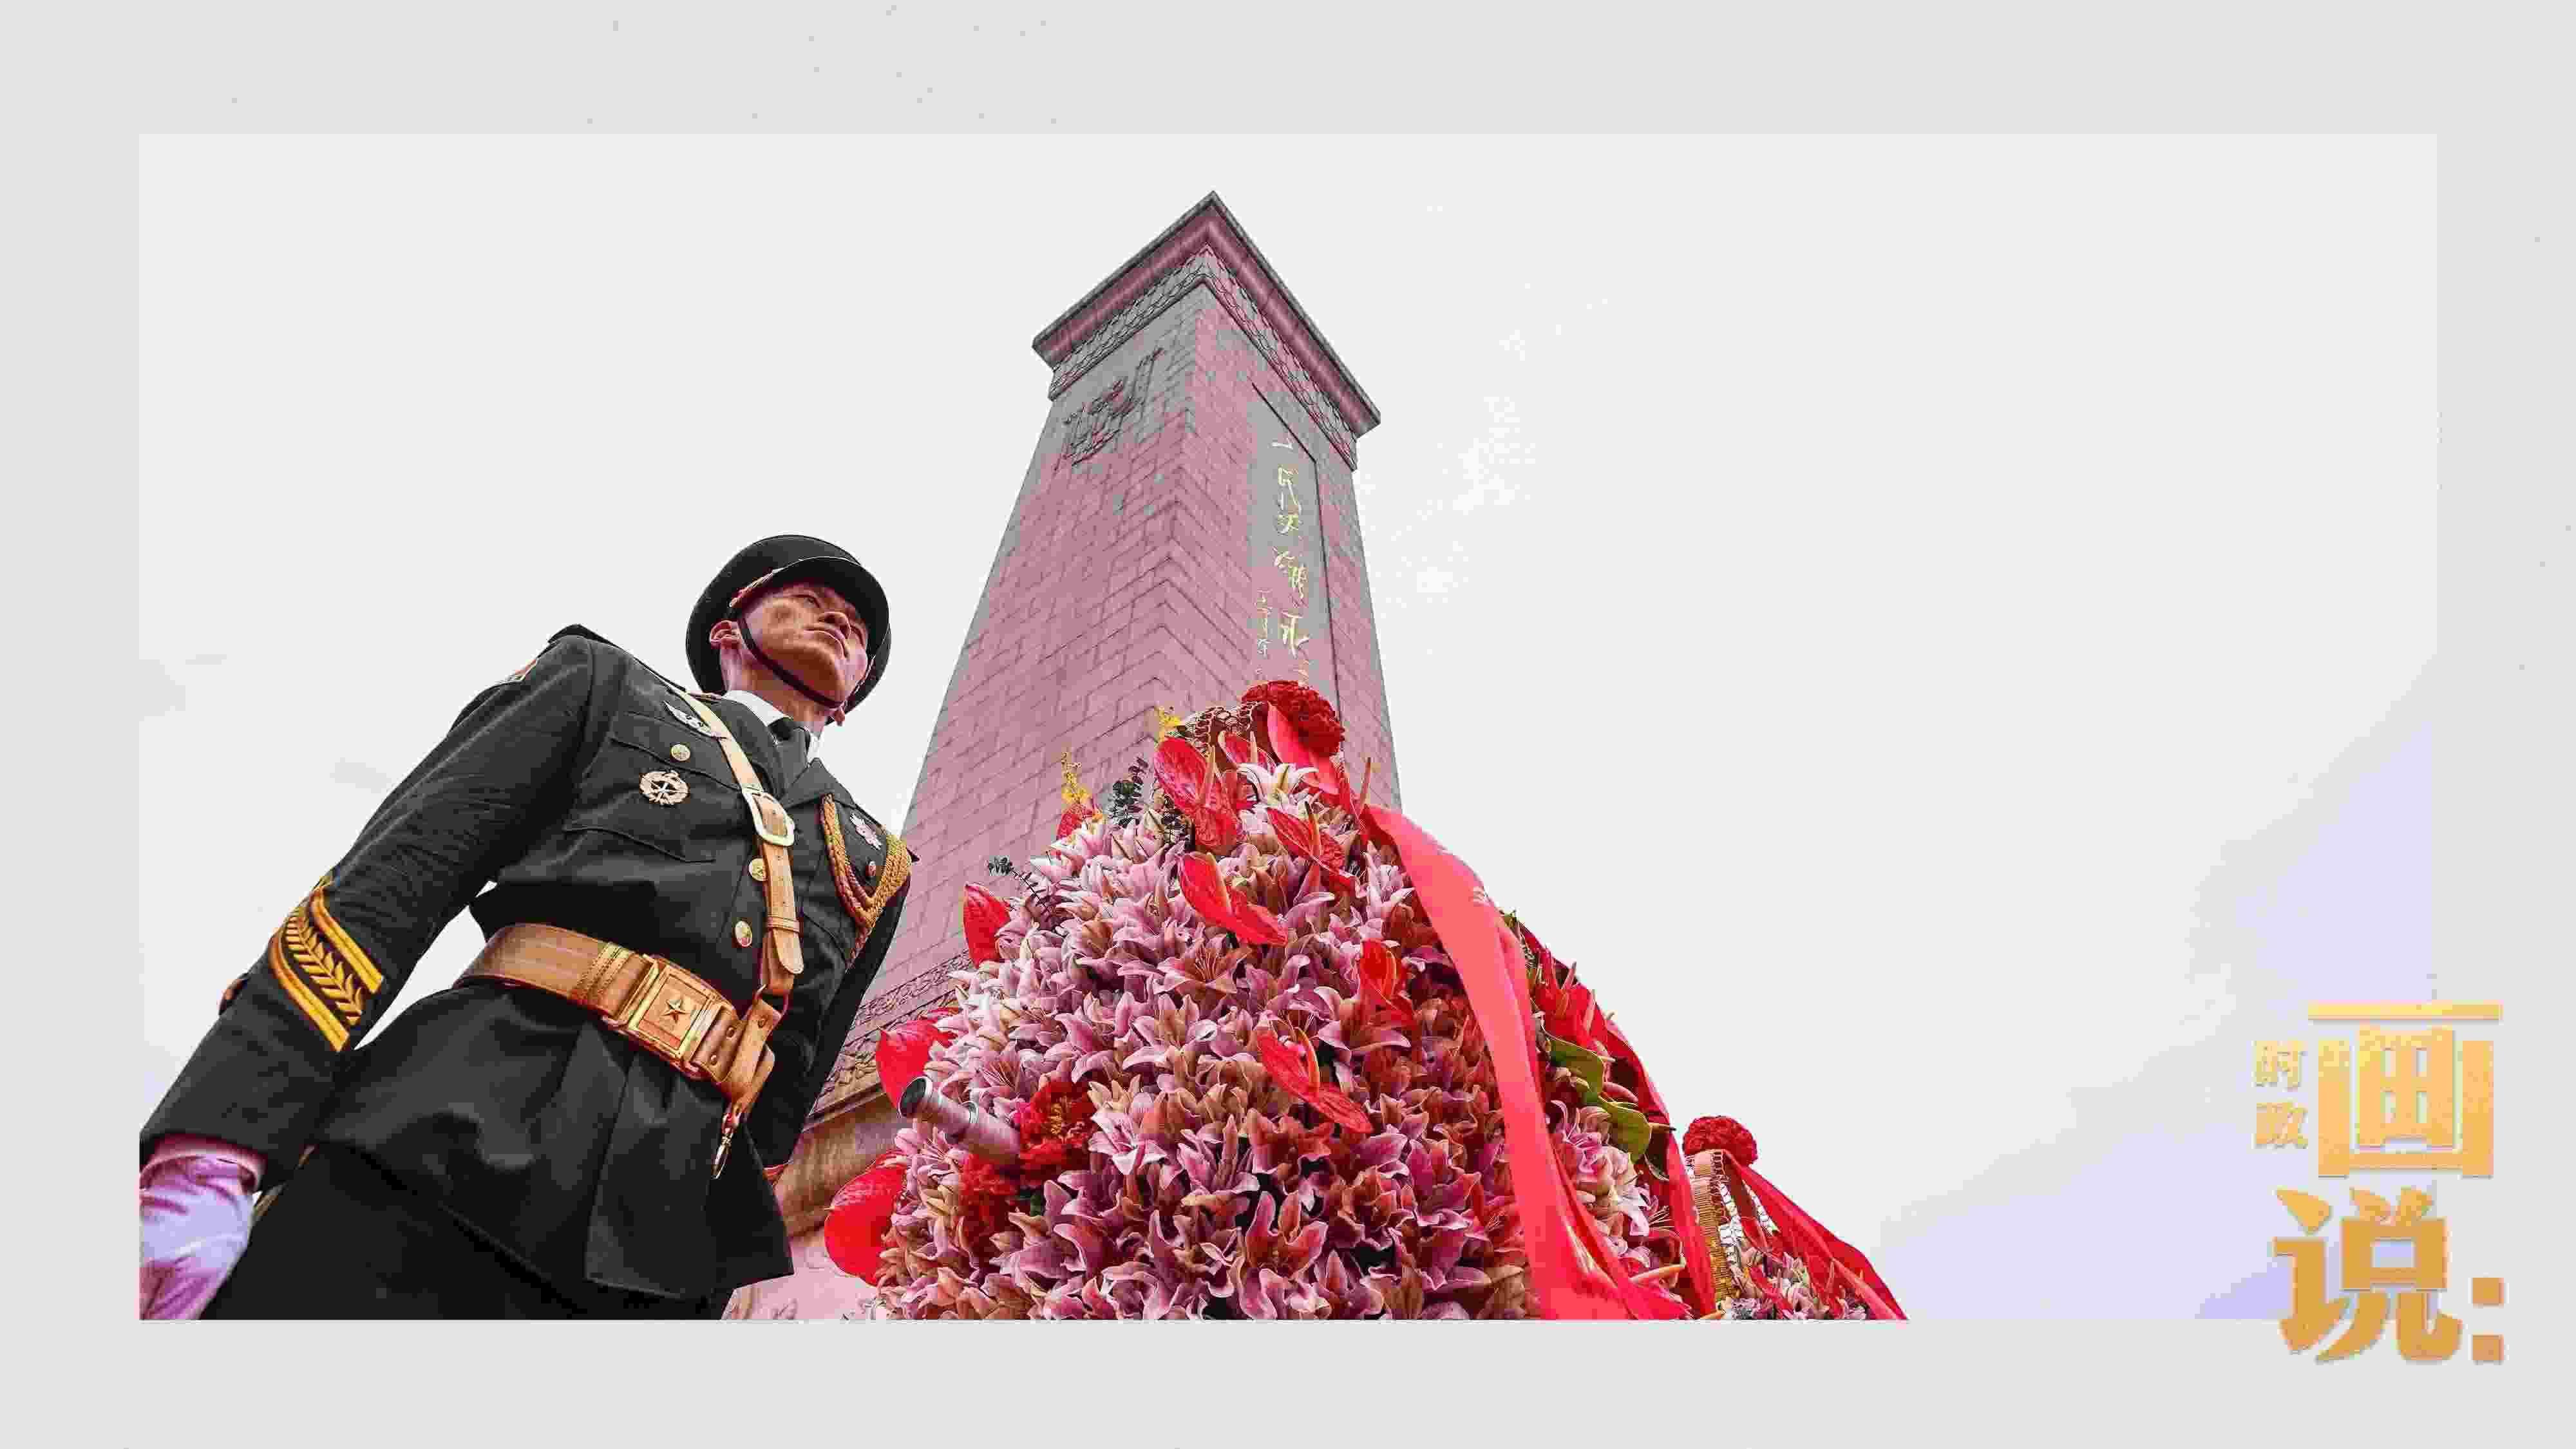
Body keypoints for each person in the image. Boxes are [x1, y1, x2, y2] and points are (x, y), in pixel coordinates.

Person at [139, 535, 914, 1318]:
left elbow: (775, 1117)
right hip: (434, 1153)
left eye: (858, 628)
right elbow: (385, 893)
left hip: (641, 1265)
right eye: (807, 598)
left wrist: (701, 1296)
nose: (838, 620)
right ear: (726, 631)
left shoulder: (874, 862)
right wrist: (218, 1140)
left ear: (848, 698)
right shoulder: (605, 688)